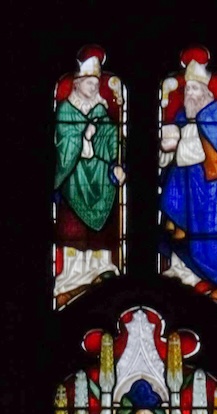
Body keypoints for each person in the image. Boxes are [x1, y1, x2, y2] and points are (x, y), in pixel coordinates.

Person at [54, 47, 124, 307]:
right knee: (72, 228)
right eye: (90, 83)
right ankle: (72, 274)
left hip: (100, 181)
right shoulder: (65, 111)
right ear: (78, 83)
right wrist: (84, 135)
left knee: (103, 230)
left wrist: (118, 160)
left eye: (97, 83)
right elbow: (64, 144)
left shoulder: (100, 110)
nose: (95, 87)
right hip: (73, 181)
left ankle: (100, 268)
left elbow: (111, 142)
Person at [159, 52, 217, 301]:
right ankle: (183, 273)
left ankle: (216, 279)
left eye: (194, 89)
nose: (189, 94)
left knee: (207, 231)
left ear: (205, 91)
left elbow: (204, 151)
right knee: (179, 226)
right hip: (182, 182)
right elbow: (169, 150)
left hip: (205, 188)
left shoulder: (213, 113)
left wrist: (177, 145)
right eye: (187, 89)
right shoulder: (183, 115)